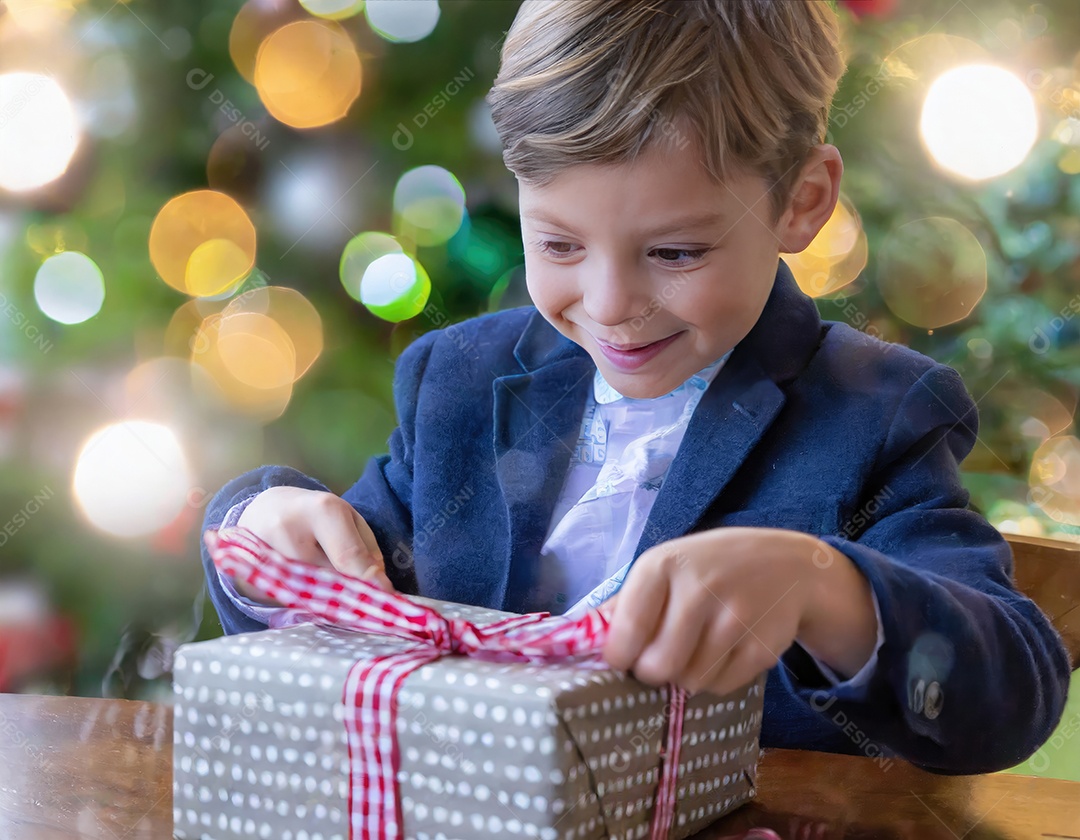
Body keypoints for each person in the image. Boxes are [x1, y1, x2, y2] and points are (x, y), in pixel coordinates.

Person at [200, 0, 1070, 775]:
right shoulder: (458, 380)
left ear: (802, 202)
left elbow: (1010, 694)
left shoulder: (877, 414)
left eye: (675, 252)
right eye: (559, 245)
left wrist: (821, 587)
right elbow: (340, 593)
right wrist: (261, 526)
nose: (610, 303)